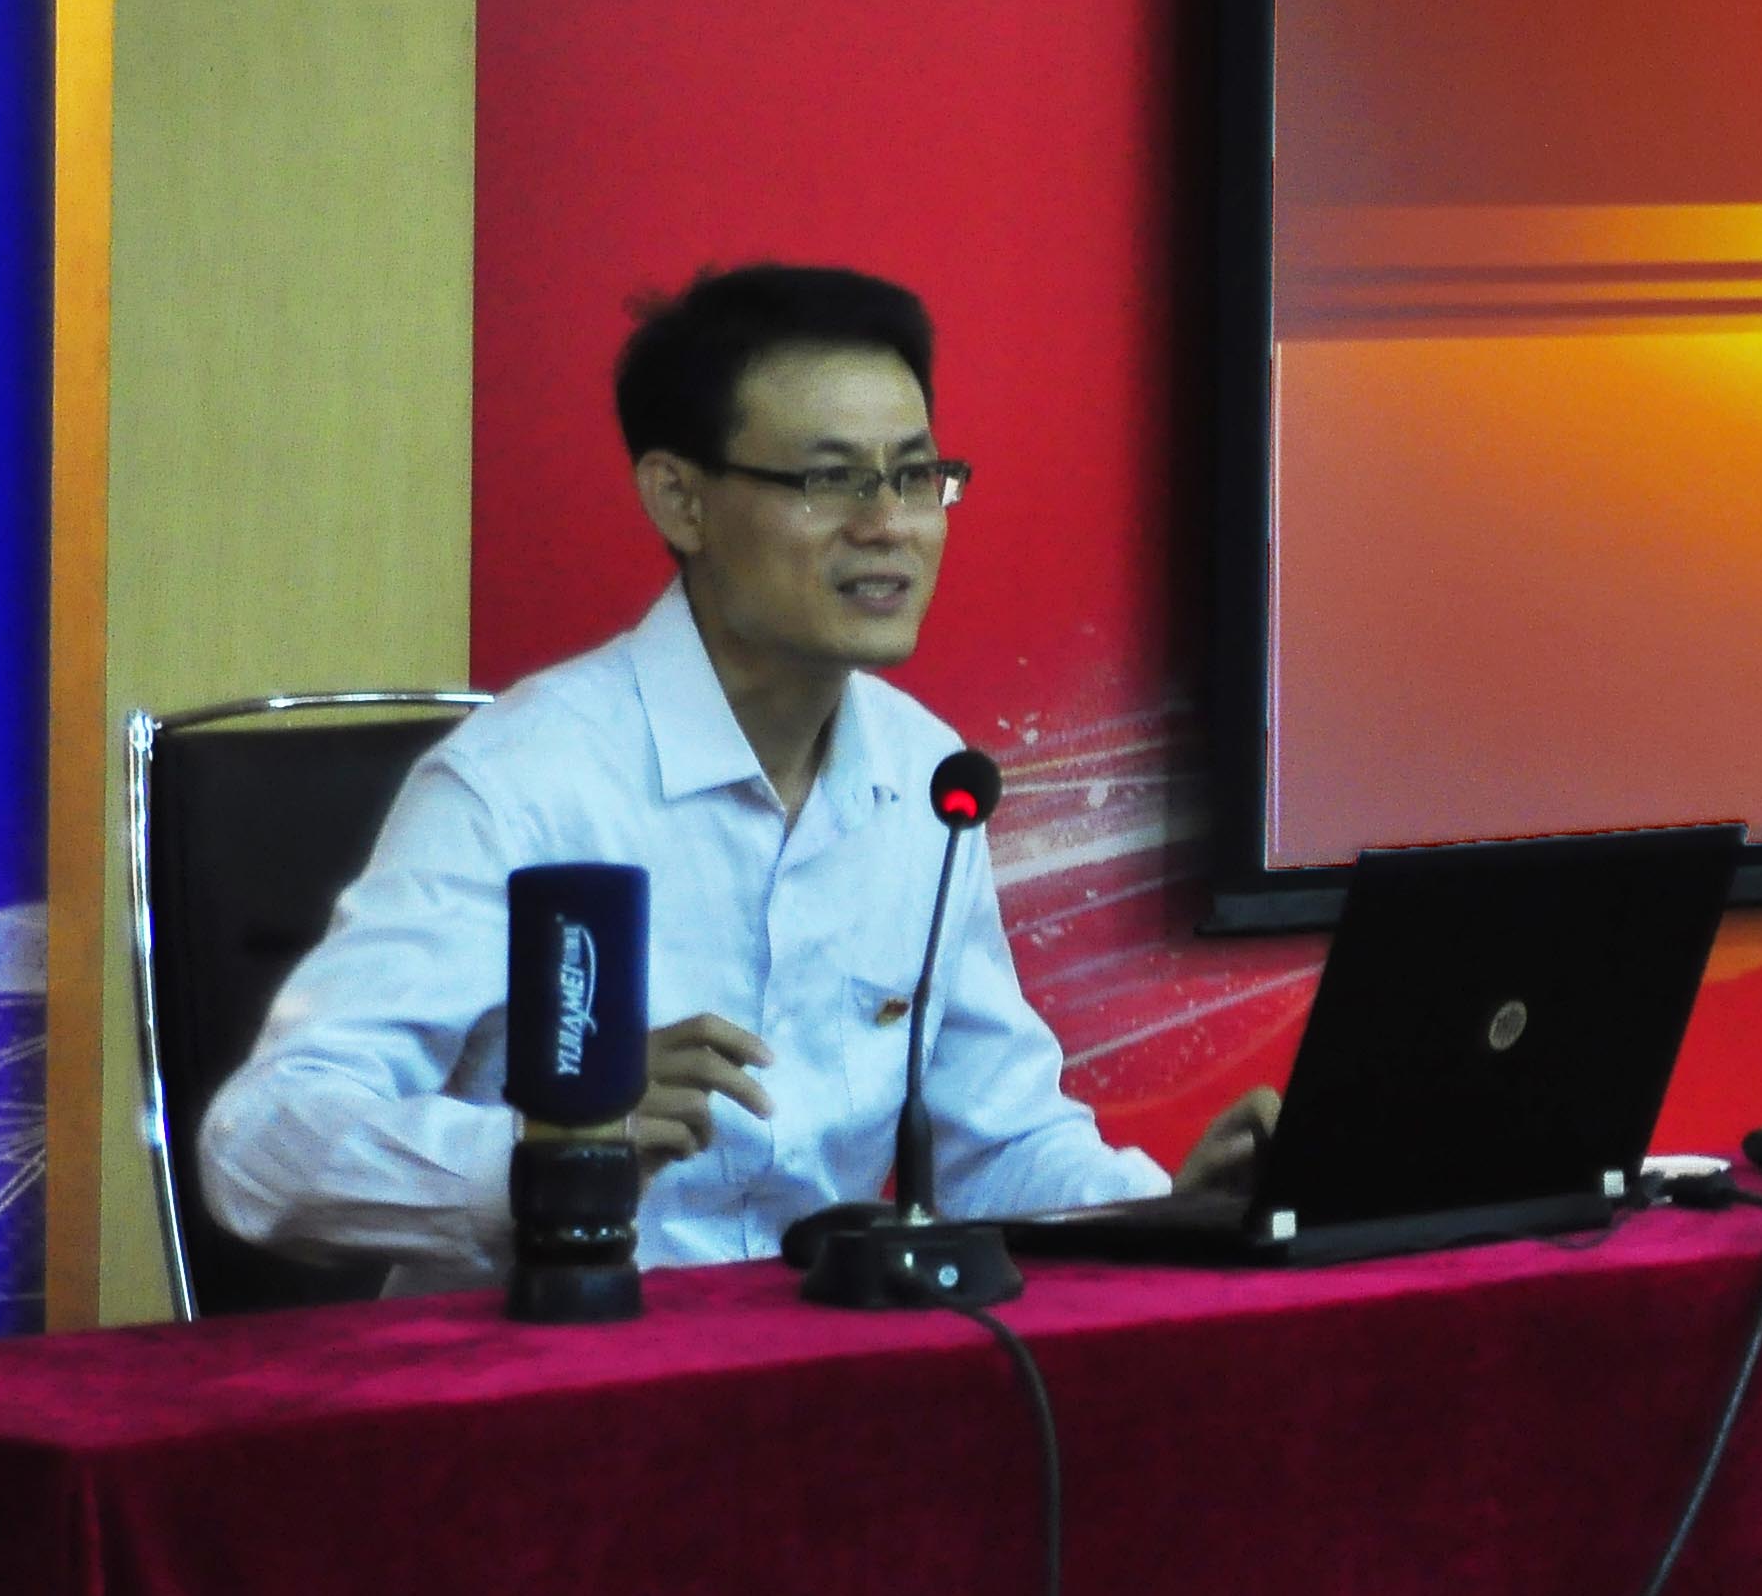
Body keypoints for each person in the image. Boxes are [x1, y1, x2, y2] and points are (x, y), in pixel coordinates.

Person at [201, 263, 1270, 1290]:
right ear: (680, 500)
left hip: (815, 1367)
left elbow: (999, 1142)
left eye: (914, 476)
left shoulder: (925, 777)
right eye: (830, 479)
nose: (886, 525)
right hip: (549, 1372)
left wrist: (1180, 1211)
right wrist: (555, 1150)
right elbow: (260, 1149)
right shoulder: (521, 786)